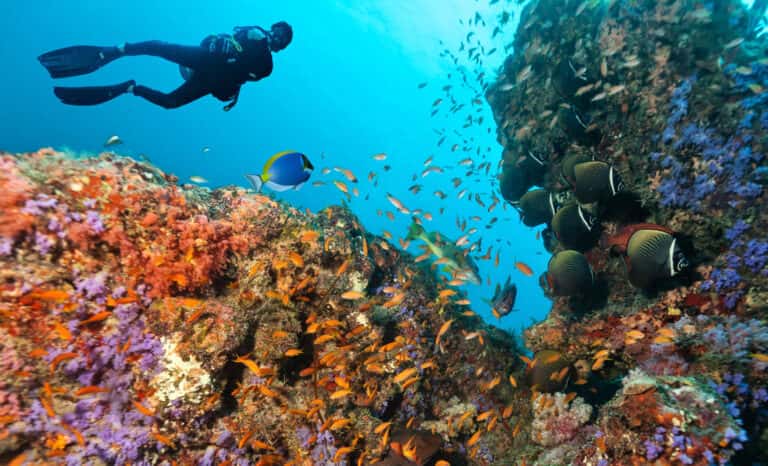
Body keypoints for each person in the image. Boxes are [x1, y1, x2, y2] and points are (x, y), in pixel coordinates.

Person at [38, 22, 292, 111]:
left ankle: (129, 88)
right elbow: (218, 40)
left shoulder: (267, 66)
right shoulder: (251, 32)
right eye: (277, 31)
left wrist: (231, 90)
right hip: (208, 60)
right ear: (272, 29)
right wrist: (219, 42)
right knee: (162, 48)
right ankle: (119, 50)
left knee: (170, 103)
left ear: (281, 47)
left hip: (213, 80)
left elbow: (247, 77)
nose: (277, 37)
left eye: (282, 39)